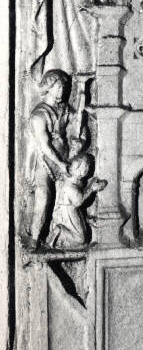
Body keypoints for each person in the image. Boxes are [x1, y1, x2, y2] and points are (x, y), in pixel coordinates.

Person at [25, 70, 71, 248]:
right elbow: (45, 146)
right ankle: (34, 239)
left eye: (64, 87)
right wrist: (61, 164)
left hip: (64, 157)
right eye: (58, 86)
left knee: (70, 196)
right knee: (43, 197)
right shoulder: (39, 115)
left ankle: (66, 236)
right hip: (45, 162)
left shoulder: (63, 109)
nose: (62, 90)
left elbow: (75, 122)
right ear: (49, 88)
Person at [48, 153, 106, 249]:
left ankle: (61, 238)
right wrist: (92, 189)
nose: (85, 172)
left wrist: (92, 186)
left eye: (87, 169)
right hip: (68, 212)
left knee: (82, 239)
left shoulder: (74, 182)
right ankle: (59, 231)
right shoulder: (70, 186)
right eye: (84, 168)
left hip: (71, 210)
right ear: (77, 168)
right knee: (80, 239)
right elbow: (79, 201)